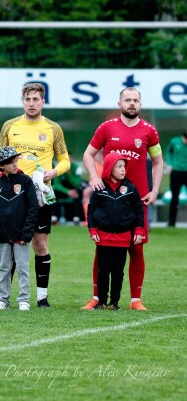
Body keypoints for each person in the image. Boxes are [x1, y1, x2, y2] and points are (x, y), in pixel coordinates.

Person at [81, 88, 162, 311]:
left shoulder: (149, 131)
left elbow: (157, 162)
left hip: (137, 201)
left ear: (140, 104)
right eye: (128, 100)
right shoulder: (107, 128)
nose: (132, 103)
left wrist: (154, 190)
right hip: (109, 199)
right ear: (120, 103)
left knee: (136, 249)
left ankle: (135, 300)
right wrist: (95, 176)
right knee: (102, 249)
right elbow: (88, 154)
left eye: (136, 100)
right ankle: (97, 297)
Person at [0, 82, 70, 308]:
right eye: (28, 99)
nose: (32, 103)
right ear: (23, 101)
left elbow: (65, 161)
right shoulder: (10, 126)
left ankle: (41, 297)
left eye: (36, 99)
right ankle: (7, 299)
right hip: (11, 194)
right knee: (10, 242)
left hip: (38, 193)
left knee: (40, 243)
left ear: (43, 101)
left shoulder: (53, 128)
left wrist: (54, 171)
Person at [86, 153, 146, 310]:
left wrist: (139, 229)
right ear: (109, 168)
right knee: (103, 271)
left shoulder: (131, 189)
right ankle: (101, 301)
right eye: (119, 166)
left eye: (124, 166)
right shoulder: (99, 189)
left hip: (123, 238)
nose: (123, 169)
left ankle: (114, 302)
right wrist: (92, 229)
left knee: (118, 272)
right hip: (103, 238)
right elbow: (91, 211)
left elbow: (139, 211)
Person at [0, 147, 38, 311]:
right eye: (11, 162)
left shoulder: (26, 181)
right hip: (2, 234)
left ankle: (24, 300)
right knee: (5, 268)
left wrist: (27, 233)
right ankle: (2, 300)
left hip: (21, 234)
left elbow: (32, 209)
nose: (16, 164)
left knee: (23, 268)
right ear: (2, 165)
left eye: (16, 161)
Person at [165, 131, 187, 227]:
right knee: (174, 198)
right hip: (176, 172)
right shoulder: (174, 142)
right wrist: (169, 163)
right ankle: (171, 223)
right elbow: (168, 152)